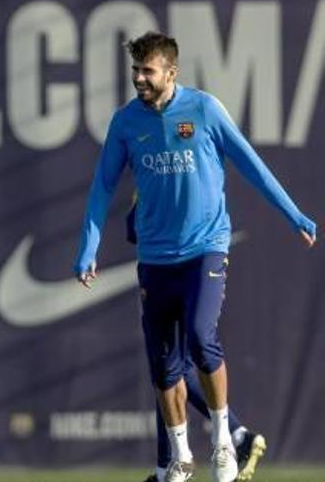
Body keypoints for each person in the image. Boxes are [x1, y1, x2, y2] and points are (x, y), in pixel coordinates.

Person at [73, 32, 315, 482]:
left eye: (148, 71)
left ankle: (224, 439)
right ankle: (179, 460)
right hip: (154, 256)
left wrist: (294, 214)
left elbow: (250, 164)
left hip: (205, 248)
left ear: (171, 72)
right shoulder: (126, 122)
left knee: (202, 338)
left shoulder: (204, 109)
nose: (139, 78)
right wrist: (88, 249)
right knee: (165, 366)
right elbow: (103, 186)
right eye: (135, 70)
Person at [128, 204, 267, 482]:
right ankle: (235, 437)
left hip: (182, 265)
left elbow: (134, 227)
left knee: (172, 367)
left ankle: (180, 462)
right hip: (178, 264)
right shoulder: (158, 171)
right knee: (168, 369)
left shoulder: (169, 174)